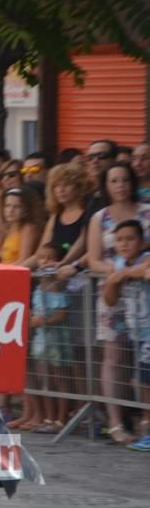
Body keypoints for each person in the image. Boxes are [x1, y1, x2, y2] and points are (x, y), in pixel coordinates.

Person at [85, 163, 150, 444]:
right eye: (114, 180)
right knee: (114, 357)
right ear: (106, 185)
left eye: (125, 179)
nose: (120, 184)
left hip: (143, 289)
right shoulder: (100, 217)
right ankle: (115, 421)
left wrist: (133, 269)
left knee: (143, 359)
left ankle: (142, 418)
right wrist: (113, 272)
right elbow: (93, 258)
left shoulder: (147, 211)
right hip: (112, 290)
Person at [102, 219, 150, 448]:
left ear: (141, 242)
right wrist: (114, 280)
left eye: (130, 239)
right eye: (119, 240)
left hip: (148, 330)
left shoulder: (145, 259)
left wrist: (124, 273)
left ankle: (147, 426)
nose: (124, 244)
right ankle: (145, 425)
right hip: (135, 332)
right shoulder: (118, 264)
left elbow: (144, 269)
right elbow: (110, 301)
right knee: (140, 380)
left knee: (145, 381)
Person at [24, 243, 73, 433]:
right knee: (45, 378)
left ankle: (61, 419)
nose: (45, 262)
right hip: (41, 339)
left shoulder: (58, 286)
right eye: (42, 258)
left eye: (50, 258)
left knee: (60, 378)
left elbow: (62, 314)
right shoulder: (38, 284)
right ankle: (48, 417)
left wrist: (41, 321)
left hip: (57, 338)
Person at [0, 187, 43, 265]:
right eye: (7, 206)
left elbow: (23, 260)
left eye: (17, 206)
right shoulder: (10, 228)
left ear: (26, 210)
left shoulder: (28, 228)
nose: (11, 210)